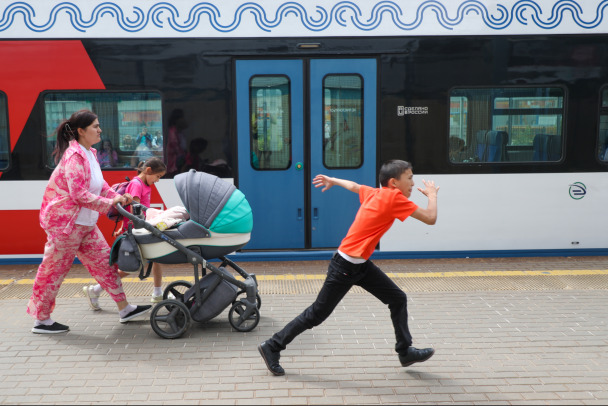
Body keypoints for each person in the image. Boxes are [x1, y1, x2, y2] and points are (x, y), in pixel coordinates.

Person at [258, 159, 439, 375]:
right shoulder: (394, 198)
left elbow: (354, 186)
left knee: (397, 298)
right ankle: (272, 346)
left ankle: (405, 351)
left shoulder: (375, 193)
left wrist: (333, 180)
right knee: (317, 314)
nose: (413, 183)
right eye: (409, 178)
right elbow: (430, 218)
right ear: (393, 182)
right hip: (345, 267)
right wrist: (432, 195)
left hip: (359, 265)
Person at [27, 109, 152, 334]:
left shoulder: (90, 153)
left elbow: (100, 185)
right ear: (81, 131)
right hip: (66, 225)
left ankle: (125, 309)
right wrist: (110, 205)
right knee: (54, 270)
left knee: (105, 265)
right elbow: (79, 194)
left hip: (85, 223)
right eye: (95, 126)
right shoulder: (74, 156)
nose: (100, 129)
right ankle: (41, 320)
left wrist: (115, 196)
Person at [83, 157, 167, 308]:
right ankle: (96, 289)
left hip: (140, 227)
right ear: (148, 171)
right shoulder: (136, 184)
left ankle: (157, 292)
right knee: (134, 265)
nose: (158, 180)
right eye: (158, 176)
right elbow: (135, 210)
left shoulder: (144, 184)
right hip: (138, 230)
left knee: (156, 257)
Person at [166, 109, 188, 177]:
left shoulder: (180, 132)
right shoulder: (172, 132)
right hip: (174, 164)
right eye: (182, 117)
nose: (184, 120)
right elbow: (176, 148)